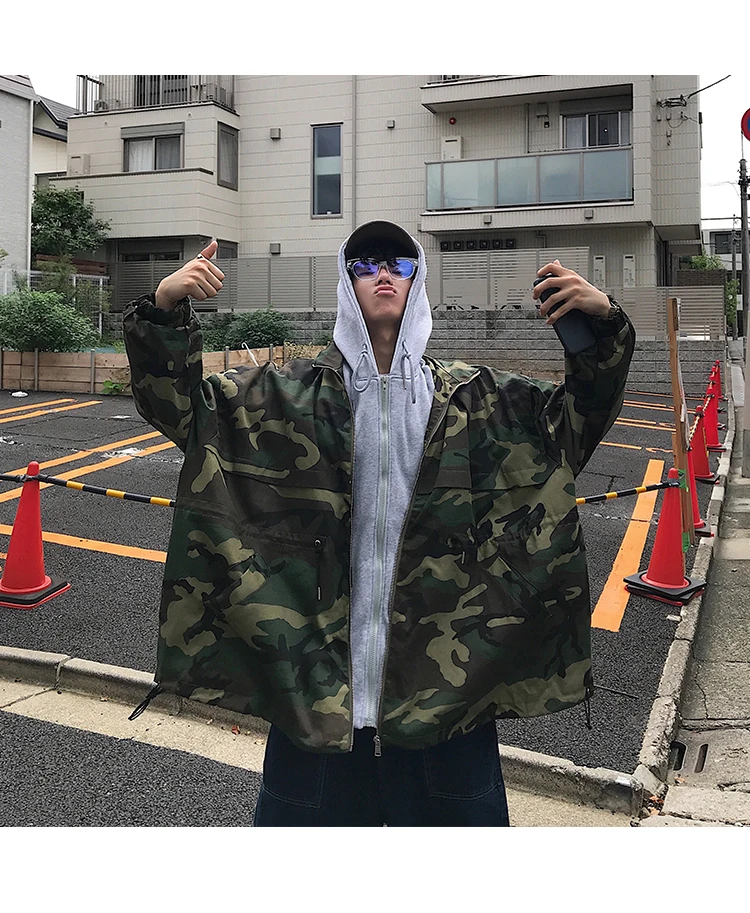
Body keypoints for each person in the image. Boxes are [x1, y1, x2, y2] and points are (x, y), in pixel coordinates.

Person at [123, 221, 635, 827]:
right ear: (347, 283)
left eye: (399, 263)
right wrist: (163, 311)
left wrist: (602, 327)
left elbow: (578, 421)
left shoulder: (484, 402)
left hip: (448, 708)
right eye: (364, 265)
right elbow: (181, 408)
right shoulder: (278, 397)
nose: (383, 274)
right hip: (314, 705)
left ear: (419, 280)